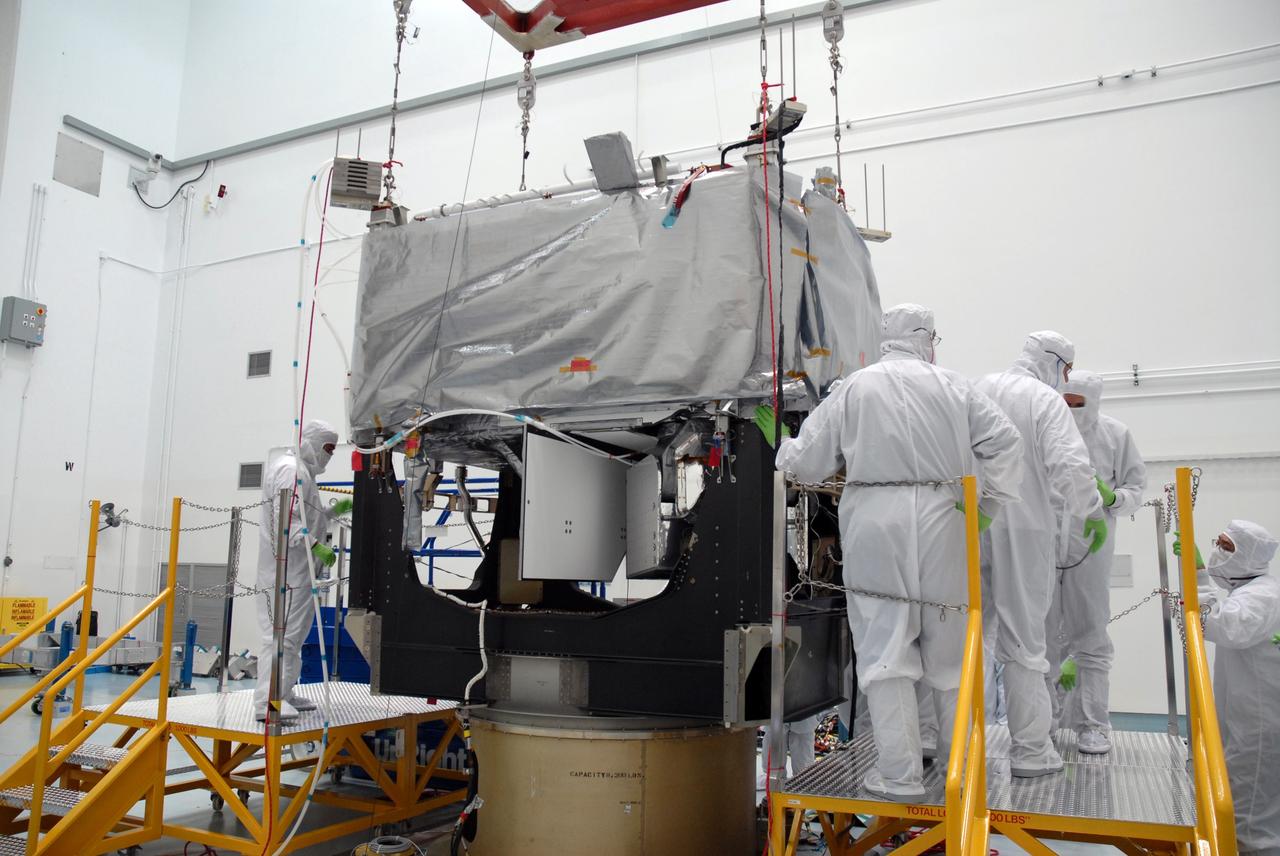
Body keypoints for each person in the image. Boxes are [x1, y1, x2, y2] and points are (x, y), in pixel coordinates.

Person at [770, 303, 1023, 802]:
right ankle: (961, 772)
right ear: (927, 339)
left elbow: (808, 460)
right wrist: (986, 504)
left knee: (886, 650)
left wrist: (780, 445)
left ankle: (901, 776)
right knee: (949, 652)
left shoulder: (857, 387)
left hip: (875, 519)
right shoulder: (955, 385)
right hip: (945, 515)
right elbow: (1005, 441)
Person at [974, 332, 1106, 778]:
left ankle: (959, 740)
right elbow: (1070, 463)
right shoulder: (1044, 399)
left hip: (975, 522)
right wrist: (1091, 511)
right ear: (1056, 364)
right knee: (1026, 639)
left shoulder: (977, 387)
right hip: (1026, 527)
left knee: (968, 632)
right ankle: (1030, 750)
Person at [1046, 369, 1147, 754]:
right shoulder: (1045, 432)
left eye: (1078, 404)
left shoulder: (1115, 435)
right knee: (1040, 641)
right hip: (1044, 548)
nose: (1071, 410)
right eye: (1065, 403)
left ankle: (1094, 724)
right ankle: (1043, 725)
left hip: (1091, 547)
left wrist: (1113, 500)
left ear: (1094, 402)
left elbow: (1136, 487)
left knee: (1090, 636)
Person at [1176, 521, 1280, 855]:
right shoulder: (1250, 592)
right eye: (1217, 542)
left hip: (1258, 729)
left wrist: (1199, 574)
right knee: (1243, 807)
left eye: (1227, 546)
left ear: (1249, 555)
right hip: (1246, 720)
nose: (1218, 550)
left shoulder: (1262, 596)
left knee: (1251, 818)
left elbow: (1217, 623)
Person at [253, 420, 351, 721]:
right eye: (327, 449)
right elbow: (288, 519)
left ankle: (283, 693)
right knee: (280, 638)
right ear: (311, 442)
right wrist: (316, 547)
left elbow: (306, 514)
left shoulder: (302, 471)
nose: (329, 455)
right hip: (285, 573)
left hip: (298, 571)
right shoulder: (290, 469)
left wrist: (334, 511)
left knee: (292, 637)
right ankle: (268, 705)